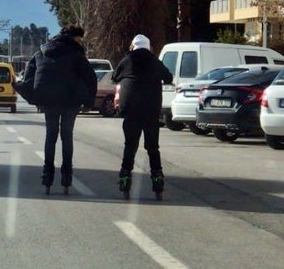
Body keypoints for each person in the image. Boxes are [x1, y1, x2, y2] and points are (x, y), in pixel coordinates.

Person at [22, 25, 97, 195]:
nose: (80, 42)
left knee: (50, 136)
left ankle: (47, 176)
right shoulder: (76, 53)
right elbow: (90, 77)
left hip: (49, 100)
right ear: (73, 37)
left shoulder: (43, 50)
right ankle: (66, 177)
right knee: (66, 136)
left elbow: (30, 73)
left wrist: (36, 97)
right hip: (71, 101)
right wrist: (89, 102)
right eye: (79, 39)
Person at [111, 34, 173, 200]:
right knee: (152, 147)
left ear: (133, 46)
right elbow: (169, 78)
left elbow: (114, 77)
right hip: (151, 110)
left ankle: (125, 177)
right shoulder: (154, 61)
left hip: (130, 110)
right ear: (148, 47)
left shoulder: (127, 60)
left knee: (130, 145)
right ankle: (157, 180)